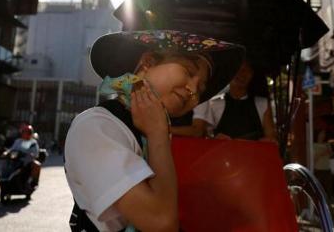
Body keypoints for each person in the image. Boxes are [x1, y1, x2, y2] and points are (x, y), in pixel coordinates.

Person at [64, 30, 244, 231]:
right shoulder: (96, 127)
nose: (194, 91)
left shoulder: (155, 135)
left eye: (201, 89)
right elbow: (161, 224)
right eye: (188, 71)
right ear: (148, 62)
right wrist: (157, 133)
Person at [173, 60, 276, 141]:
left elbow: (271, 137)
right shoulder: (214, 103)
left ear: (252, 74)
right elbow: (205, 134)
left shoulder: (262, 103)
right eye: (238, 70)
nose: (242, 74)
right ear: (230, 74)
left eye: (246, 70)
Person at [313, 130, 333, 197]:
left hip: (327, 168)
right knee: (318, 188)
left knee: (328, 188)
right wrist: (323, 153)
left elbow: (331, 154)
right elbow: (314, 157)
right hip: (318, 168)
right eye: (321, 133)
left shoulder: (327, 144)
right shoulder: (313, 144)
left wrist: (323, 153)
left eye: (324, 134)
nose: (322, 135)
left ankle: (327, 203)